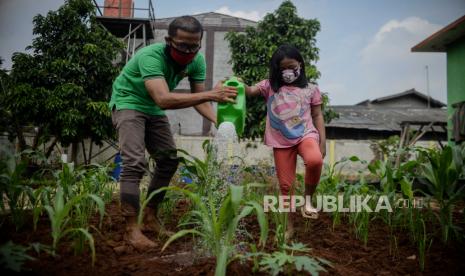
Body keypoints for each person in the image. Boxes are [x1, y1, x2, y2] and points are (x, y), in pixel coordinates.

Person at [109, 15, 237, 250]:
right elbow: (164, 99)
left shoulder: (197, 61)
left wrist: (220, 122)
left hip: (153, 108)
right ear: (169, 40)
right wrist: (211, 94)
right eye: (182, 45)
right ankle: (131, 230)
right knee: (134, 163)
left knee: (168, 160)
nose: (189, 51)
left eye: (194, 45)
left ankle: (149, 217)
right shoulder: (151, 56)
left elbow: (199, 100)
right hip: (129, 102)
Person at [245, 44, 326, 238]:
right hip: (281, 140)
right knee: (285, 186)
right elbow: (249, 91)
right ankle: (289, 226)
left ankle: (307, 199)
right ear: (276, 70)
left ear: (301, 65)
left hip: (305, 134)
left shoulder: (311, 89)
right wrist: (239, 84)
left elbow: (317, 115)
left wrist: (322, 141)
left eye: (293, 67)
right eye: (283, 69)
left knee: (315, 160)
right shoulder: (269, 87)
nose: (289, 72)